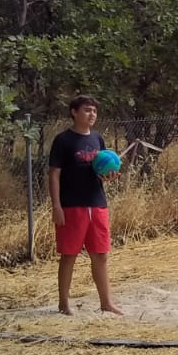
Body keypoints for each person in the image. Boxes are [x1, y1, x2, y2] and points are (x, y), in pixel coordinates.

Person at [48, 94, 123, 315]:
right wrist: (56, 206)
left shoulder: (98, 138)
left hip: (97, 204)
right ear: (74, 112)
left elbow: (101, 171)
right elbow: (54, 174)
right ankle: (64, 303)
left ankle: (106, 303)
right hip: (71, 206)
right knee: (69, 255)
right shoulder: (63, 140)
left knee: (101, 254)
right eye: (87, 110)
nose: (92, 114)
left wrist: (108, 177)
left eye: (94, 111)